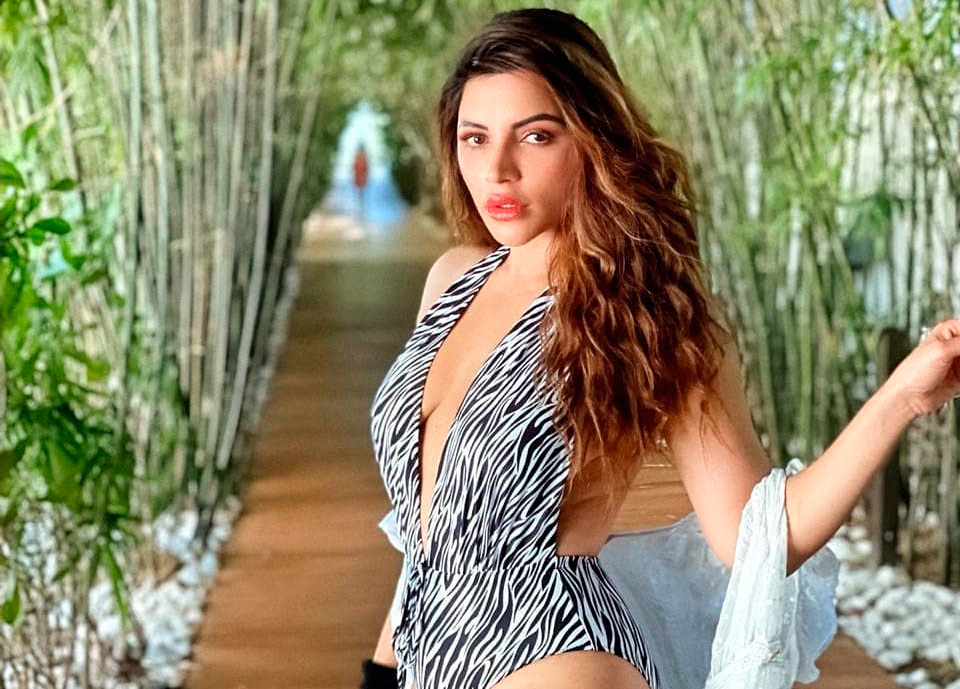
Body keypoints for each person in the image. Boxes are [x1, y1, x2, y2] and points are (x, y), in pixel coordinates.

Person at [359, 8, 960, 689]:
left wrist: (900, 399)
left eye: (536, 135)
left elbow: (757, 534)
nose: (498, 169)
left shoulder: (647, 313)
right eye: (475, 137)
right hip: (429, 656)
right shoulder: (452, 282)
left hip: (552, 652)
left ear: (593, 141)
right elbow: (429, 528)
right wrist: (381, 670)